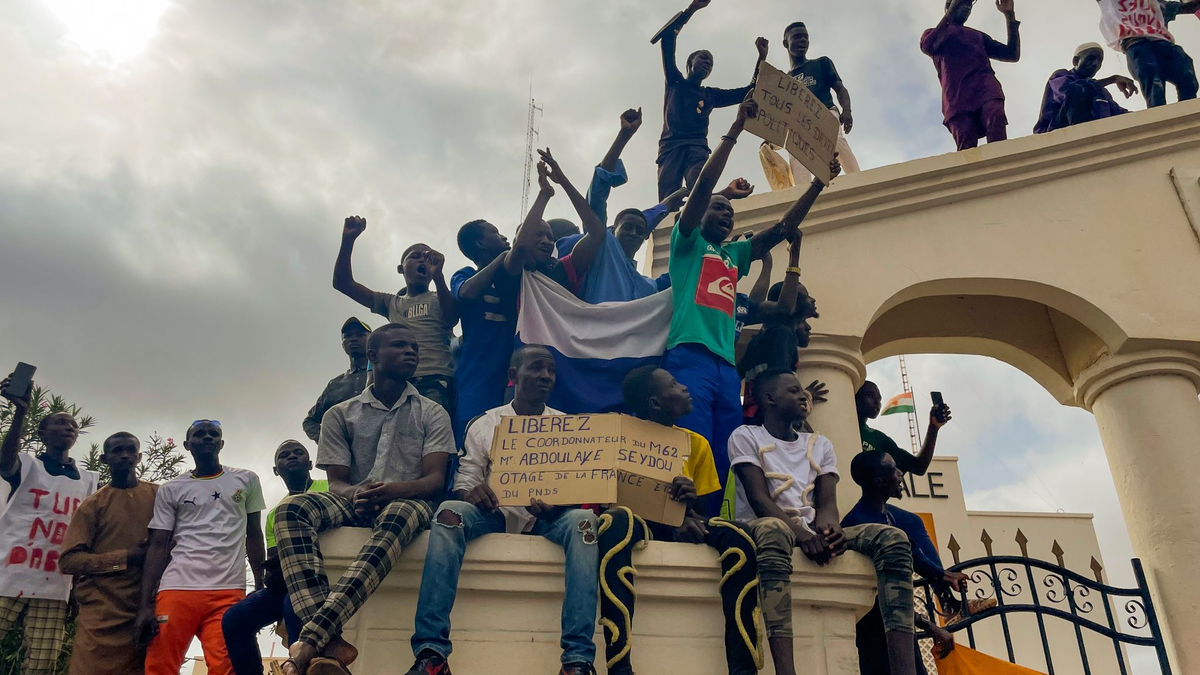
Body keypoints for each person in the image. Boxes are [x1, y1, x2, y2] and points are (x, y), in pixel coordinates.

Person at [663, 90, 840, 515]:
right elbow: (703, 187)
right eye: (717, 209)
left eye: (730, 212)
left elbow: (781, 230)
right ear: (699, 215)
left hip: (727, 368)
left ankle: (714, 521)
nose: (725, 214)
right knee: (691, 442)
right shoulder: (687, 245)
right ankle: (683, 519)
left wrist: (818, 184)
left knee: (727, 451)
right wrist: (736, 129)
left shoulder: (733, 256)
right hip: (690, 356)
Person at [407, 345, 600, 675]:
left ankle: (578, 659)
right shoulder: (485, 424)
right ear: (513, 375)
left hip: (548, 520)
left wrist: (560, 504)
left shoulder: (568, 427)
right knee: (449, 512)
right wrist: (473, 493)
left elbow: (580, 486)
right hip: (493, 515)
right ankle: (431, 652)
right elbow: (465, 480)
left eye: (551, 370)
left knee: (585, 522)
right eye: (536, 368)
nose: (546, 376)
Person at [275, 323, 454, 675]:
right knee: (290, 509)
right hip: (354, 500)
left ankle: (309, 641)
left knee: (399, 513)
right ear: (373, 356)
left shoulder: (433, 412)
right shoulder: (339, 414)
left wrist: (391, 490)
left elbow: (434, 481)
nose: (411, 352)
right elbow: (337, 483)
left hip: (408, 500)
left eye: (414, 348)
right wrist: (357, 493)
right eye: (400, 345)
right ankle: (330, 644)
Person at [727, 370, 918, 675]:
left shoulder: (820, 444)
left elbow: (827, 503)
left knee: (893, 538)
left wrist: (830, 529)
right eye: (793, 391)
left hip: (809, 531)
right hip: (765, 526)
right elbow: (759, 500)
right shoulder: (745, 436)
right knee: (775, 530)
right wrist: (802, 535)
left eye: (802, 390)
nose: (803, 396)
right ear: (769, 399)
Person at [598, 366, 762, 675]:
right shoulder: (618, 437)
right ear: (655, 403)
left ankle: (743, 668)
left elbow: (702, 511)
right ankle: (619, 665)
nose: (684, 388)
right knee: (615, 520)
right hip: (637, 525)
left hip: (682, 524)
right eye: (674, 384)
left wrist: (689, 500)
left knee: (739, 535)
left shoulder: (696, 443)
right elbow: (608, 498)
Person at [452, 153, 606, 438]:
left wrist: (563, 181)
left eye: (550, 237)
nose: (546, 240)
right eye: (538, 235)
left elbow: (597, 235)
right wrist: (544, 195)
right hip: (524, 378)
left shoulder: (560, 270)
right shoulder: (512, 275)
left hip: (564, 371)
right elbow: (520, 248)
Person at [560, 108, 755, 304]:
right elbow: (597, 194)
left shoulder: (649, 287)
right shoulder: (603, 248)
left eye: (639, 230)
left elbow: (688, 268)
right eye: (627, 227)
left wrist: (723, 196)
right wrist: (623, 136)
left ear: (646, 236)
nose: (633, 233)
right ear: (614, 229)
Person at [134, 420, 267, 675]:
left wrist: (260, 584)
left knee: (226, 668)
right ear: (187, 445)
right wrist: (144, 605)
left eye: (213, 434)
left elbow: (253, 534)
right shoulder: (171, 489)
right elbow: (158, 545)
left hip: (227, 591)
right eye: (199, 434)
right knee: (160, 666)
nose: (207, 437)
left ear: (221, 443)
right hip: (177, 589)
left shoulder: (246, 480)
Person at [0, 372, 99, 675]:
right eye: (60, 423)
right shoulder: (27, 465)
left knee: (42, 664)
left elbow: (87, 538)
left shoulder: (89, 481)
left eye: (73, 426)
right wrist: (20, 412)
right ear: (42, 432)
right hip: (7, 576)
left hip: (55, 584)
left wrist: (76, 588)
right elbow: (4, 463)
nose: (69, 428)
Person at [843, 451, 966, 674]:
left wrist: (945, 576)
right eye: (894, 469)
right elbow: (881, 598)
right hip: (876, 640)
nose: (900, 473)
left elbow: (913, 553)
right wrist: (929, 625)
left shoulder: (889, 516)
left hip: (897, 632)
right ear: (880, 481)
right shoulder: (860, 523)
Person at [222, 441, 330, 675]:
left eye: (299, 453)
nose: (292, 457)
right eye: (284, 455)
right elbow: (275, 557)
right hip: (290, 583)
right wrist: (267, 576)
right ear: (275, 470)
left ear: (310, 463)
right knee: (234, 619)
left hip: (325, 575)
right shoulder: (274, 514)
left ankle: (300, 667)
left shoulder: (329, 487)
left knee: (294, 606)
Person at [334, 219, 458, 412]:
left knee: (430, 427)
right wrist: (348, 240)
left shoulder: (439, 296)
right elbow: (343, 283)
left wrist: (439, 277)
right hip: (398, 381)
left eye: (427, 257)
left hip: (435, 380)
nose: (422, 261)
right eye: (415, 256)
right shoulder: (391, 303)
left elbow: (452, 319)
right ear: (401, 268)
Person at [59, 432, 157, 675]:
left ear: (139, 457)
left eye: (130, 450)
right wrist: (125, 558)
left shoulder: (160, 496)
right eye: (117, 451)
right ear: (104, 459)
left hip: (149, 609)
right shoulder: (93, 505)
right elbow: (69, 561)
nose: (125, 456)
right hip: (102, 614)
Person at [656, 0, 766, 200]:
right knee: (667, 199)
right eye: (703, 58)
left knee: (699, 183)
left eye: (711, 63)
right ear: (690, 64)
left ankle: (706, 207)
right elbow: (668, 38)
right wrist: (692, 9)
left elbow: (749, 90)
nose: (708, 63)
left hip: (696, 146)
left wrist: (761, 58)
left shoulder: (710, 95)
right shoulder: (675, 82)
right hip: (670, 147)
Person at [921, 0, 1021, 151]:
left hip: (985, 86)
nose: (967, 7)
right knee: (966, 142)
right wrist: (952, 11)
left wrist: (1009, 16)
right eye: (962, 3)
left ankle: (1001, 160)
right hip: (957, 95)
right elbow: (928, 46)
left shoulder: (977, 35)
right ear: (949, 5)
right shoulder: (934, 33)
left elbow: (1012, 54)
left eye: (969, 5)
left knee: (995, 116)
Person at [778, 21, 861, 182]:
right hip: (799, 121)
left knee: (835, 140)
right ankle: (803, 190)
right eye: (797, 37)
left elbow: (840, 89)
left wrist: (847, 110)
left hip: (825, 111)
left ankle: (857, 180)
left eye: (805, 37)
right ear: (785, 43)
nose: (803, 40)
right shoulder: (785, 80)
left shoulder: (821, 63)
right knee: (795, 149)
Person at [1097, 0, 1200, 108]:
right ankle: (1158, 112)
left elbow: (1190, 7)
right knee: (1153, 81)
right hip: (1136, 44)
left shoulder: (1157, 4)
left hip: (1163, 43)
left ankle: (1187, 109)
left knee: (1186, 72)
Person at [1035, 43, 1137, 134]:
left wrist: (1143, 116)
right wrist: (1112, 79)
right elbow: (1072, 91)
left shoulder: (1101, 91)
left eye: (1099, 61)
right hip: (1057, 133)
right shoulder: (1061, 76)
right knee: (1080, 91)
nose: (1095, 64)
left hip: (1095, 138)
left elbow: (1118, 113)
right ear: (1076, 61)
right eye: (1090, 58)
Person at [856, 381, 951, 477]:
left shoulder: (878, 438)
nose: (877, 403)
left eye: (879, 399)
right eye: (870, 396)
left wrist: (933, 427)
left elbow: (919, 467)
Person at [302, 318, 372, 443]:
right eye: (348, 336)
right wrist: (330, 442)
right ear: (343, 345)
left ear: (372, 341)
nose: (353, 339)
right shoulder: (335, 385)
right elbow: (309, 421)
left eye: (360, 335)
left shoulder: (386, 374)